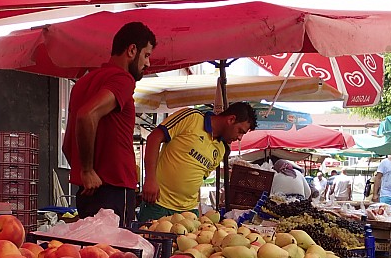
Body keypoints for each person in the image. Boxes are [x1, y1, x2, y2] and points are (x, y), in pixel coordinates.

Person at [62, 22, 156, 227]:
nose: (148, 63)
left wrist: (85, 172)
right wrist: (87, 171)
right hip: (114, 190)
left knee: (91, 257)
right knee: (114, 257)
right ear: (132, 50)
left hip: (88, 192)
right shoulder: (122, 78)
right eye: (146, 55)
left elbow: (67, 146)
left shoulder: (83, 83)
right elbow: (87, 115)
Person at [138, 102, 257, 221]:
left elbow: (199, 177)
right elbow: (154, 137)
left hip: (189, 211)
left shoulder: (222, 149)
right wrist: (150, 179)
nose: (240, 138)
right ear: (231, 119)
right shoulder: (191, 117)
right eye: (240, 131)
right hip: (158, 204)